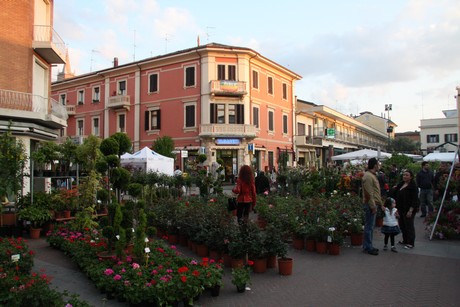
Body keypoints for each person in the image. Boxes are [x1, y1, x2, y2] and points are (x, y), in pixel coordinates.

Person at [361, 157, 383, 256]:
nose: (379, 166)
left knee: (370, 226)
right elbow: (369, 193)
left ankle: (368, 245)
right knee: (369, 227)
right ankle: (368, 247)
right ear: (374, 165)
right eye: (378, 164)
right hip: (370, 205)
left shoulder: (371, 175)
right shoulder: (368, 176)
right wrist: (373, 206)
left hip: (373, 204)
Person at [394, 169, 419, 249]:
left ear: (411, 177)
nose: (405, 176)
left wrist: (411, 210)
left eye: (407, 175)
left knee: (409, 225)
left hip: (409, 209)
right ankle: (405, 240)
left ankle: (411, 242)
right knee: (402, 225)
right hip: (401, 208)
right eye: (404, 175)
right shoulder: (401, 184)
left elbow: (415, 199)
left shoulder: (413, 186)